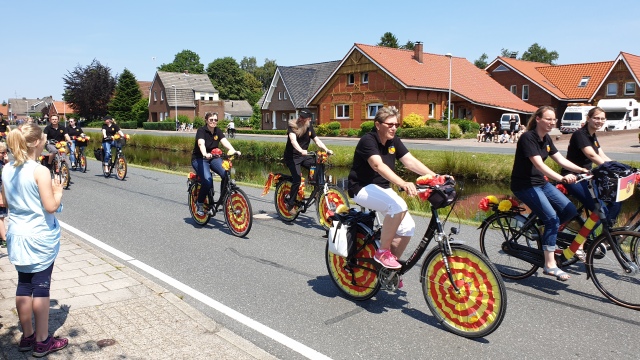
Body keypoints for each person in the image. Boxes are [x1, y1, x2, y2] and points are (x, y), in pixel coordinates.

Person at [1, 124, 68, 357]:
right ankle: (42, 341)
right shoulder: (40, 171)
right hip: (39, 236)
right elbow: (50, 206)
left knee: (23, 284)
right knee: (41, 287)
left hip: (16, 234)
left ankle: (27, 336)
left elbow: (5, 202)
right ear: (38, 142)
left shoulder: (8, 168)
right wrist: (58, 192)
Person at [348, 106, 439, 271]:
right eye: (390, 124)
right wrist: (402, 183)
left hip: (381, 188)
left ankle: (388, 270)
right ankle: (382, 252)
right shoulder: (368, 140)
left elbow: (410, 161)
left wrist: (436, 177)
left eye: (396, 124)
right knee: (398, 206)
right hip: (361, 188)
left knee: (408, 227)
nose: (394, 128)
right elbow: (378, 165)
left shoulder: (393, 141)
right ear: (378, 125)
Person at [510, 105, 589, 281]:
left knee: (569, 211)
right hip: (525, 185)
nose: (552, 122)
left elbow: (561, 159)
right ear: (538, 119)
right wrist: (561, 179)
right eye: (548, 119)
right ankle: (550, 265)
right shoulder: (528, 138)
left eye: (554, 120)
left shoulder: (546, 139)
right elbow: (540, 166)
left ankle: (547, 234)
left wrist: (582, 170)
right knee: (552, 218)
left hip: (540, 183)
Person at [562, 107, 621, 259]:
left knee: (615, 202)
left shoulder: (592, 136)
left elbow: (602, 155)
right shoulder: (580, 134)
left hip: (587, 177)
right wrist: (608, 168)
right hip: (573, 177)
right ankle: (579, 244)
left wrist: (621, 168)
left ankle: (603, 236)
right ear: (588, 118)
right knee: (600, 210)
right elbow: (591, 155)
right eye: (596, 118)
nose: (599, 121)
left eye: (602, 119)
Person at [283, 109, 332, 213]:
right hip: (292, 157)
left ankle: (316, 189)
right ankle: (290, 204)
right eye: (300, 116)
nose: (300, 118)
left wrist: (326, 149)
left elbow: (317, 140)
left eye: (303, 117)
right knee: (297, 179)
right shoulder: (292, 126)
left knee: (316, 167)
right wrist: (301, 150)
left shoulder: (309, 127)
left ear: (309, 119)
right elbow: (293, 140)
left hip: (303, 156)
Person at [191, 112, 240, 216]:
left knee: (225, 174)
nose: (213, 122)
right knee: (208, 181)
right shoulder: (201, 131)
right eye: (211, 120)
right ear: (206, 120)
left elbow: (225, 142)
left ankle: (223, 199)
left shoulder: (217, 131)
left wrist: (234, 150)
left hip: (213, 158)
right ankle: (199, 203)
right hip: (200, 159)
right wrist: (204, 153)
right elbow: (201, 143)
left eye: (215, 120)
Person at [0, 141, 8, 248]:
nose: (3, 154)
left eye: (4, 152)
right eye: (1, 152)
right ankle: (5, 239)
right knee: (1, 217)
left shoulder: (2, 163)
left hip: (3, 191)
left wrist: (7, 161)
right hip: (0, 193)